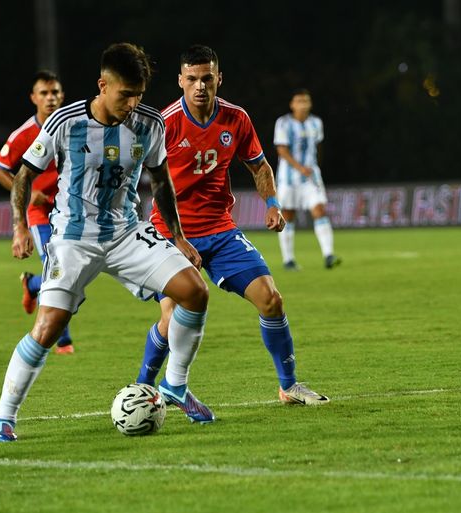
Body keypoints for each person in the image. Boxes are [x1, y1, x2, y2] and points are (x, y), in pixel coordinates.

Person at [0, 42, 213, 442]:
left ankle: (175, 384)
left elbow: (160, 180)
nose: (132, 103)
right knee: (49, 326)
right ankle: (3, 416)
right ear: (102, 85)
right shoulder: (64, 122)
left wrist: (177, 236)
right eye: (125, 94)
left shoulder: (149, 123)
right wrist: (20, 226)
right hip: (74, 237)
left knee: (194, 291)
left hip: (126, 232)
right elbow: (22, 175)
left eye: (139, 94)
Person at [135, 45, 329, 411]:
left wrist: (272, 204)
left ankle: (289, 386)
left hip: (220, 228)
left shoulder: (236, 119)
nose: (200, 87)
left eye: (207, 78)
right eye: (191, 79)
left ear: (218, 78)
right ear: (180, 81)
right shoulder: (165, 124)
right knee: (171, 315)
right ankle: (142, 389)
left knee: (271, 299)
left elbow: (259, 166)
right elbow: (140, 178)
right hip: (170, 231)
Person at [0, 70, 74, 354]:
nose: (50, 98)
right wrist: (27, 193)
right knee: (57, 267)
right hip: (39, 214)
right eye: (44, 93)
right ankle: (63, 341)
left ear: (62, 96)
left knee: (72, 269)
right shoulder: (24, 134)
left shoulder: (72, 126)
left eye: (55, 93)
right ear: (33, 98)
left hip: (70, 211)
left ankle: (32, 283)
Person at [274, 89, 340, 270]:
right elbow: (281, 150)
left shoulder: (316, 123)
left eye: (306, 101)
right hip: (288, 178)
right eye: (299, 101)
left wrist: (313, 167)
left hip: (311, 177)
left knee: (319, 210)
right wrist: (299, 167)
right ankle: (288, 259)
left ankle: (328, 255)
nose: (303, 104)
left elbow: (318, 147)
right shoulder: (284, 123)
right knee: (287, 215)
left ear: (310, 104)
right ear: (292, 104)